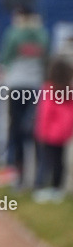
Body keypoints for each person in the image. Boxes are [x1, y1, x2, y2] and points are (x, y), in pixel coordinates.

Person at [0, 6, 48, 187]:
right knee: (35, 131)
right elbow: (46, 57)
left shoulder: (14, 33)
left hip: (17, 85)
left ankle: (18, 176)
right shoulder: (42, 33)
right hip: (35, 86)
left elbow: (4, 57)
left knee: (16, 131)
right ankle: (38, 178)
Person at [32, 56, 73, 203]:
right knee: (59, 162)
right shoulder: (68, 92)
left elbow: (45, 112)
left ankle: (40, 186)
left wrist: (40, 131)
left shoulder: (49, 89)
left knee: (45, 161)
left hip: (48, 133)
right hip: (62, 134)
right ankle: (56, 189)